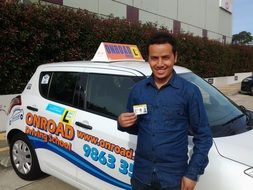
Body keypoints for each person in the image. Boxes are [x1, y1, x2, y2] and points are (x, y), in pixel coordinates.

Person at [118, 32, 213, 190]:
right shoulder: (137, 90)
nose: (160, 64)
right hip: (142, 176)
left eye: (165, 57)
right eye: (154, 58)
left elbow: (203, 136)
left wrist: (192, 174)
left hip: (173, 179)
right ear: (148, 59)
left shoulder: (189, 92)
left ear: (175, 57)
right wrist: (122, 122)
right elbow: (135, 126)